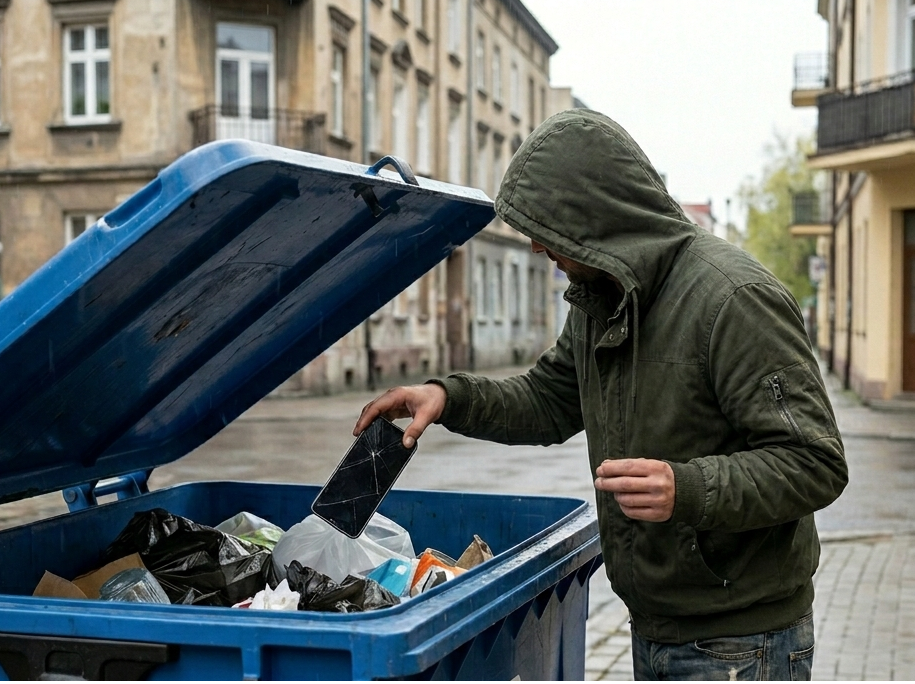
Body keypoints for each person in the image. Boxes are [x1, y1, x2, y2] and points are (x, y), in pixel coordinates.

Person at [354, 109, 848, 681]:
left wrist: (687, 488)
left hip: (742, 641)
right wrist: (448, 398)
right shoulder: (602, 297)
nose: (537, 247)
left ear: (594, 218)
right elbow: (549, 400)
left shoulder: (733, 299)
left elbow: (815, 462)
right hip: (657, 625)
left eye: (547, 229)